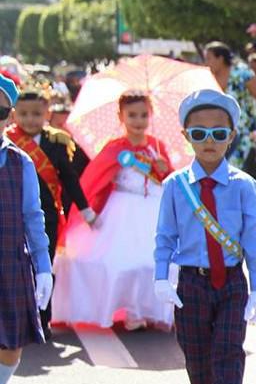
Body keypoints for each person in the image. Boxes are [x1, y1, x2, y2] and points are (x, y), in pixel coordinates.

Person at [152, 90, 256, 384]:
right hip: (192, 279)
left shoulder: (244, 186)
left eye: (219, 133)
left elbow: (254, 239)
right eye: (199, 133)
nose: (209, 141)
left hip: (232, 279)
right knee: (195, 345)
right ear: (186, 136)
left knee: (230, 344)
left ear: (231, 137)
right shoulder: (175, 186)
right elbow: (165, 235)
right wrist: (161, 277)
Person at [52, 90, 175, 331]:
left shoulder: (157, 146)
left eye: (143, 115)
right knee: (120, 262)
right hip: (122, 209)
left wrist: (164, 168)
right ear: (121, 116)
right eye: (132, 115)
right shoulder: (115, 147)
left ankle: (147, 309)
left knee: (154, 263)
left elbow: (168, 179)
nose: (138, 121)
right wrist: (91, 210)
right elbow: (97, 178)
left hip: (153, 208)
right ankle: (128, 310)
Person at [5, 88, 97, 333]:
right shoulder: (8, 141)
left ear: (47, 113)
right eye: (23, 113)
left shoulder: (57, 142)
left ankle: (43, 318)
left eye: (36, 113)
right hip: (11, 216)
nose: (30, 119)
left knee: (44, 265)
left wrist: (85, 209)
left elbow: (69, 179)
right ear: (13, 115)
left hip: (46, 215)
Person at [0, 73, 53, 384]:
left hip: (9, 263)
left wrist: (44, 267)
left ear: (9, 116)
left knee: (10, 345)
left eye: (0, 111)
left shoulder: (20, 163)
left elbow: (34, 216)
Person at [204, 42, 256, 168]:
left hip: (245, 130)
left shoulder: (242, 73)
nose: (206, 63)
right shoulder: (209, 78)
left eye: (209, 58)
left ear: (220, 58)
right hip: (220, 133)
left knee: (236, 167)